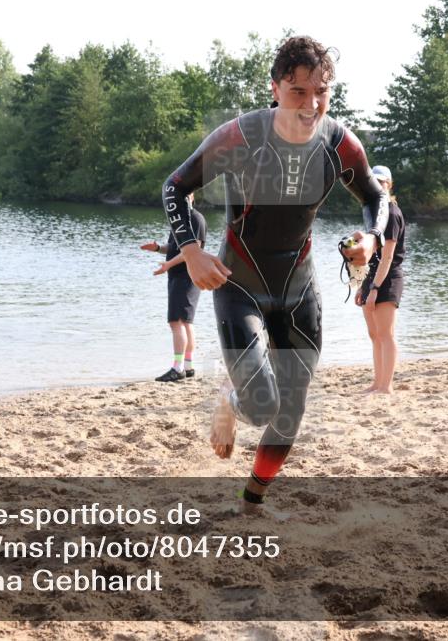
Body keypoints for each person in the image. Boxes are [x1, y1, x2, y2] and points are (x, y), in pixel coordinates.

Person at [161, 36, 388, 511]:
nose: (312, 104)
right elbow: (175, 187)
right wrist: (193, 251)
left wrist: (371, 238)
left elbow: (376, 199)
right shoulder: (240, 137)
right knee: (262, 403)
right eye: (298, 91)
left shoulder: (338, 143)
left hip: (298, 285)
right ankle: (229, 399)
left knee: (293, 406)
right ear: (275, 89)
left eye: (322, 91)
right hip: (237, 284)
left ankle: (251, 503)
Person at [140, 193, 207, 382]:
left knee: (176, 322)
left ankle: (177, 368)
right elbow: (175, 248)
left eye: (185, 196)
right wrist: (157, 248)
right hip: (179, 276)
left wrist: (167, 265)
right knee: (185, 322)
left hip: (187, 275)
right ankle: (188, 366)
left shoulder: (196, 219)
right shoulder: (179, 219)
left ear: (191, 198)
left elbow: (194, 251)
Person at [354, 165, 406, 394]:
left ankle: (386, 386)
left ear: (390, 184)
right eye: (375, 182)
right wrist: (361, 286)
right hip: (371, 277)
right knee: (374, 334)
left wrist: (374, 288)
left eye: (383, 182)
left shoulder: (392, 213)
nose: (379, 186)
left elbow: (388, 256)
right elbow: (371, 253)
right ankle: (377, 382)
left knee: (386, 334)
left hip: (387, 277)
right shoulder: (373, 214)